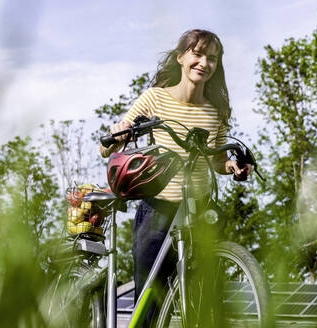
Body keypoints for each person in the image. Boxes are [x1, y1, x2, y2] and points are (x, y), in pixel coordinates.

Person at [99, 29, 251, 325]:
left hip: (199, 209)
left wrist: (231, 166)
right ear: (181, 57)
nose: (204, 63)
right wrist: (117, 133)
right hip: (158, 210)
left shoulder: (215, 112)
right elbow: (111, 144)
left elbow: (217, 160)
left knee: (204, 300)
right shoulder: (155, 99)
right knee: (149, 302)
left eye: (212, 58)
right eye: (197, 54)